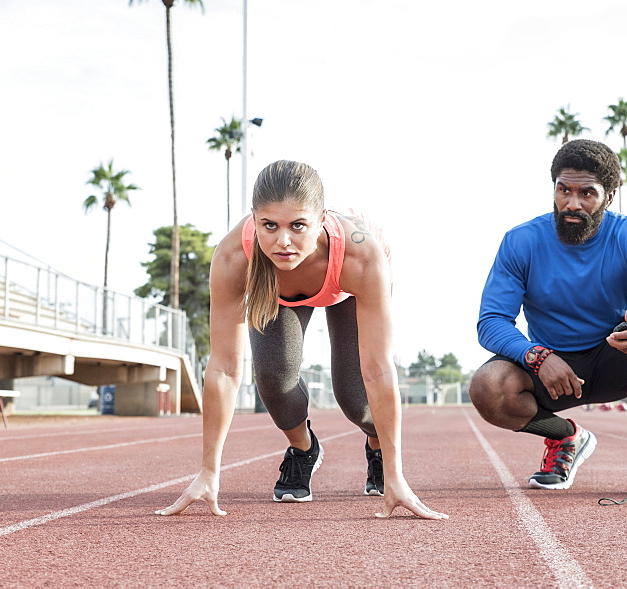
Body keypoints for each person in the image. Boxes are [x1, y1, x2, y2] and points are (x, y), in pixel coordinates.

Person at [157, 160, 446, 519]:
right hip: (276, 289)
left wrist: (396, 474)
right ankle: (303, 448)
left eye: (298, 226)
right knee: (273, 379)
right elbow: (224, 369)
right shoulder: (235, 256)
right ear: (254, 219)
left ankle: (377, 448)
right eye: (269, 226)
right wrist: (208, 472)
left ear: (322, 218)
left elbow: (379, 369)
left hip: (346, 286)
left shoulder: (363, 256)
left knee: (356, 397)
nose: (283, 241)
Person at [471, 140, 627, 498]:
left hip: (616, 358)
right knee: (487, 386)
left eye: (586, 193)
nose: (572, 203)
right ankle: (565, 436)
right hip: (550, 370)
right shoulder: (521, 241)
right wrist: (538, 356)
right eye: (563, 190)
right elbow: (491, 321)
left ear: (609, 196)